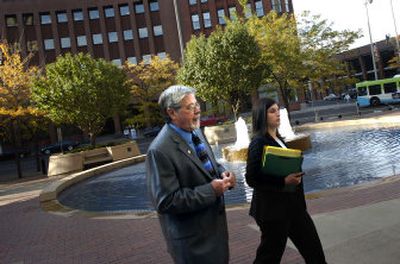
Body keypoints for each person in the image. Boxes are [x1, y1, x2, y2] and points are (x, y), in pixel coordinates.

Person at [146, 85, 236, 264]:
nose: (197, 111)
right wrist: (211, 190)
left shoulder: (195, 131)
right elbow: (166, 201)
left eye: (196, 105)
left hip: (215, 235)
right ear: (172, 113)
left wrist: (223, 173)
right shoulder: (159, 150)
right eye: (190, 107)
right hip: (193, 244)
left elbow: (209, 165)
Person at [245, 97, 326, 264]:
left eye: (278, 110)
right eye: (272, 111)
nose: (278, 114)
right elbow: (251, 178)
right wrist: (283, 181)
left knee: (315, 254)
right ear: (262, 115)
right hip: (274, 212)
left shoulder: (279, 139)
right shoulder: (258, 142)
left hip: (294, 208)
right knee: (269, 258)